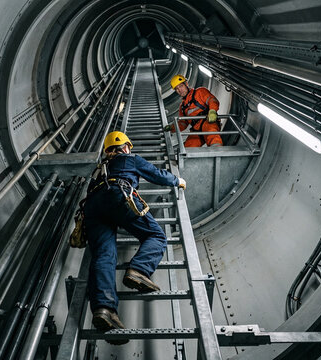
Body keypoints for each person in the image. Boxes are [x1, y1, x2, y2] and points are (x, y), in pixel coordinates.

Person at [84, 131, 187, 344]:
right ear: (126, 146)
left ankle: (105, 309)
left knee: (104, 255)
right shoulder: (129, 159)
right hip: (118, 195)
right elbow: (155, 174)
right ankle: (138, 270)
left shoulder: (97, 170)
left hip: (93, 207)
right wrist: (178, 181)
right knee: (156, 236)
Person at [164, 74, 223, 147]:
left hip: (208, 121)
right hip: (196, 130)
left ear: (186, 84)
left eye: (181, 86)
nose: (180, 90)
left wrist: (212, 111)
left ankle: (218, 154)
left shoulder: (199, 92)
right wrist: (171, 127)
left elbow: (212, 100)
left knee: (212, 136)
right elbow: (183, 124)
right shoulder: (182, 107)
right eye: (176, 89)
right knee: (188, 147)